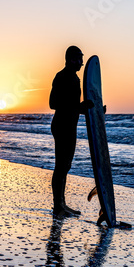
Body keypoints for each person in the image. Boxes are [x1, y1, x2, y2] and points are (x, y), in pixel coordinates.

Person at [49, 45, 93, 217]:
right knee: (60, 167)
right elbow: (53, 103)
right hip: (61, 126)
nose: (81, 63)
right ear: (69, 59)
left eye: (82, 59)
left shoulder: (75, 79)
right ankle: (58, 206)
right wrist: (79, 106)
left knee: (65, 166)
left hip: (70, 127)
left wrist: (93, 110)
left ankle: (62, 204)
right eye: (78, 59)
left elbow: (75, 107)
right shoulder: (61, 77)